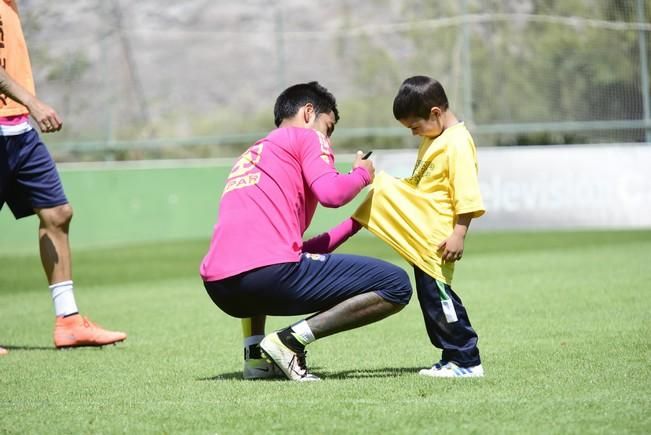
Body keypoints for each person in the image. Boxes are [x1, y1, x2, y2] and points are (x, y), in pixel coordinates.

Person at [200, 81, 412, 381]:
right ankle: (289, 342)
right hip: (268, 274)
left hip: (221, 288)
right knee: (397, 284)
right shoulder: (306, 138)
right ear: (309, 113)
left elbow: (290, 254)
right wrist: (362, 174)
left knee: (263, 262)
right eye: (329, 127)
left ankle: (256, 359)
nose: (329, 139)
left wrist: (355, 223)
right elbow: (331, 194)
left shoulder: (250, 156)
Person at [0, 0, 126, 356]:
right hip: (20, 115)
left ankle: (68, 321)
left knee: (57, 213)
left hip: (18, 128)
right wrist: (34, 102)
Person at [352, 76, 485, 377]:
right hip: (423, 234)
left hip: (439, 237)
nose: (414, 133)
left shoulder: (457, 143)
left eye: (415, 126)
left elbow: (466, 192)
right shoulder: (434, 139)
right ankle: (452, 356)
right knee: (431, 298)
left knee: (440, 297)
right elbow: (420, 187)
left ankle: (466, 359)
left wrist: (459, 233)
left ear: (436, 113)